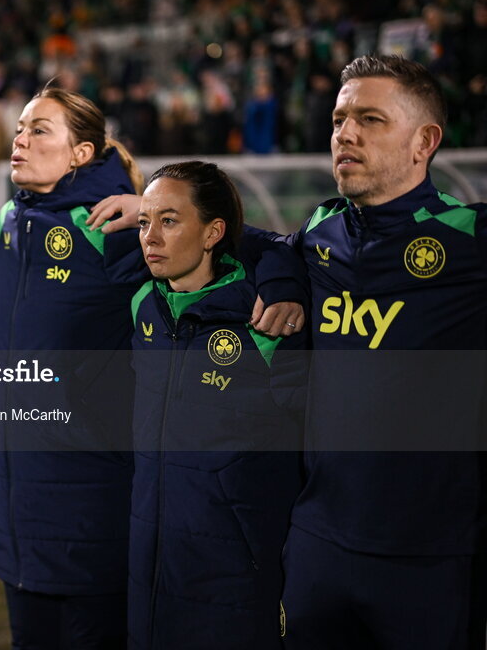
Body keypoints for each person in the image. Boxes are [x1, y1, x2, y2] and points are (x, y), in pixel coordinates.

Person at [249, 54, 487, 649]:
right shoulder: (321, 231)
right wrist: (279, 279)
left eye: (370, 119)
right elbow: (267, 244)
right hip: (318, 545)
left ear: (423, 141)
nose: (345, 133)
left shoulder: (470, 238)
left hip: (432, 560)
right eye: (338, 119)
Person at [0, 86, 146, 648]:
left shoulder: (113, 226)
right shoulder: (8, 220)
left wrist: (156, 211)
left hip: (88, 504)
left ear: (81, 153)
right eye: (20, 128)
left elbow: (214, 264)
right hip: (15, 501)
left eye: (39, 130)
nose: (20, 140)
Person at [127, 161, 306, 649]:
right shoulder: (144, 302)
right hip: (151, 563)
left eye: (169, 220)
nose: (150, 237)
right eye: (145, 222)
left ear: (213, 233)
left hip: (234, 574)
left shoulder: (267, 321)